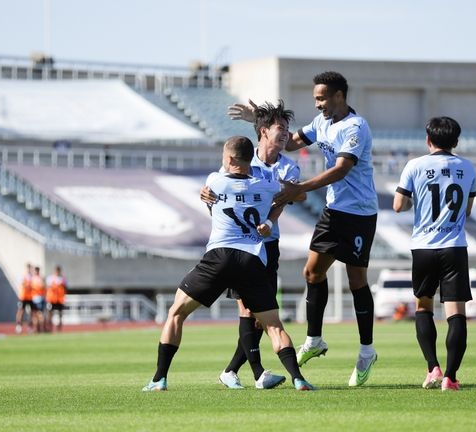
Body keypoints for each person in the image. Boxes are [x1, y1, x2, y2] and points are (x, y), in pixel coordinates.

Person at [228, 71, 379, 386]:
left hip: (359, 212)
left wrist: (301, 188)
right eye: (315, 99)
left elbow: (341, 169)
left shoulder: (355, 127)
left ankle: (366, 351)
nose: (317, 104)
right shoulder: (321, 122)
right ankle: (315, 339)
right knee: (312, 273)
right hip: (333, 209)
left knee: (356, 279)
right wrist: (260, 120)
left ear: (339, 95)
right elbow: (293, 141)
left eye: (321, 98)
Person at [142, 136, 314, 392]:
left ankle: (159, 379)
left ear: (230, 159)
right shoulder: (267, 185)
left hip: (219, 257)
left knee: (176, 313)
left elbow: (210, 198)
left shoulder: (215, 179)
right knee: (273, 326)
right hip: (253, 260)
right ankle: (298, 379)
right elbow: (297, 194)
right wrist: (271, 215)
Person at [201, 100, 305, 389]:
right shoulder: (246, 159)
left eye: (287, 130)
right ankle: (254, 373)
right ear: (263, 132)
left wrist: (270, 223)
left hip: (268, 244)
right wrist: (206, 194)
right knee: (249, 310)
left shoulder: (289, 167)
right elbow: (218, 189)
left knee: (261, 314)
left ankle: (233, 371)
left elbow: (283, 201)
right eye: (280, 129)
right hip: (239, 245)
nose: (285, 134)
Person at [392, 116, 476, 391]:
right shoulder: (468, 167)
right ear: (456, 142)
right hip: (454, 247)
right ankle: (451, 378)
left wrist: (416, 204)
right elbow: (467, 210)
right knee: (456, 314)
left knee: (423, 306)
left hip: (424, 247)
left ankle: (433, 368)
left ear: (428, 140)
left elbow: (398, 205)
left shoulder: (415, 165)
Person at [45, 265, 67, 332]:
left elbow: (65, 288)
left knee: (60, 314)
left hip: (59, 300)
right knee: (50, 313)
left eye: (58, 270)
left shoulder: (62, 279)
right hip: (51, 299)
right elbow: (47, 287)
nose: (57, 271)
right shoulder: (50, 278)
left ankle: (59, 328)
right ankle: (49, 327)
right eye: (56, 270)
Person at [15, 263, 33, 334]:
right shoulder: (23, 276)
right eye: (28, 268)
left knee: (30, 313)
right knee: (21, 312)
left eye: (30, 268)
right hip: (23, 297)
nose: (29, 269)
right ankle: (19, 326)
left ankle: (29, 327)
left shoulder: (32, 276)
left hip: (30, 297)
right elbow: (23, 285)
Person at [30, 266, 46, 333]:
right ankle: (37, 328)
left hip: (38, 298)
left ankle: (41, 328)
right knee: (34, 314)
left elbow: (42, 287)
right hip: (34, 298)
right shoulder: (38, 278)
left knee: (39, 314)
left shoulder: (37, 279)